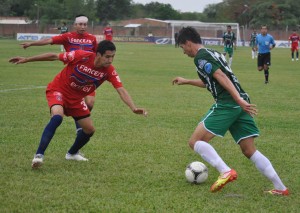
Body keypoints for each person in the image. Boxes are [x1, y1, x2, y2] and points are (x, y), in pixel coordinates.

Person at [172, 27, 289, 196]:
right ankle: (280, 188)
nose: (184, 52)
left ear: (188, 43)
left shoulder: (200, 57)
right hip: (240, 102)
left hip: (230, 103)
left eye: (182, 47)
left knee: (195, 141)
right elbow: (210, 81)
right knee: (249, 150)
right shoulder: (213, 53)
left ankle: (225, 171)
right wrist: (187, 81)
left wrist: (237, 100)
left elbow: (221, 77)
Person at [9, 40, 147, 169]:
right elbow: (53, 56)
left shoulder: (109, 71)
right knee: (57, 117)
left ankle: (72, 154)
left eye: (113, 57)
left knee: (89, 130)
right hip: (59, 90)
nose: (110, 60)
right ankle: (39, 155)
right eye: (107, 56)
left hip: (76, 99)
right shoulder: (81, 56)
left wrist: (133, 108)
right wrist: (26, 59)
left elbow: (121, 89)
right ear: (98, 54)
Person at [20, 15, 98, 132]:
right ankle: (78, 126)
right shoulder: (68, 37)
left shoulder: (92, 38)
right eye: (80, 24)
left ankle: (79, 117)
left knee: (90, 103)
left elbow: (98, 55)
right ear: (75, 25)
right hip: (73, 75)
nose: (83, 27)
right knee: (76, 101)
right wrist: (31, 44)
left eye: (85, 24)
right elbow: (49, 41)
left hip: (88, 76)